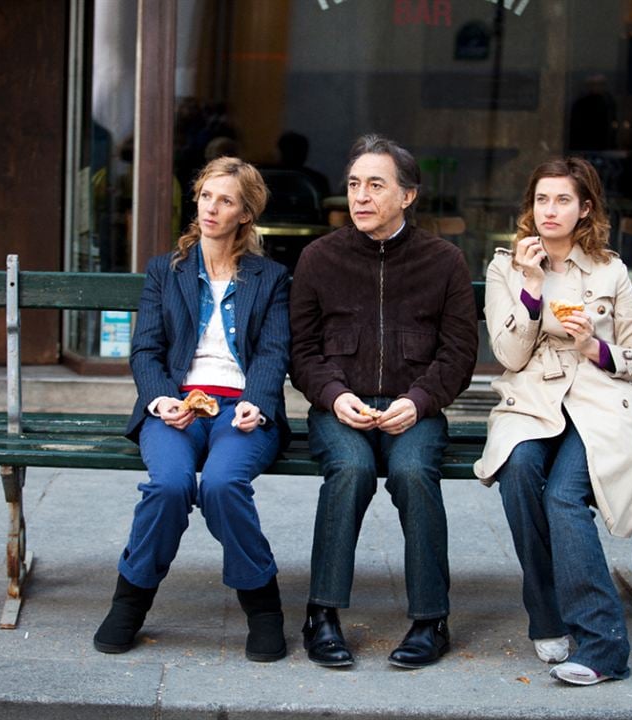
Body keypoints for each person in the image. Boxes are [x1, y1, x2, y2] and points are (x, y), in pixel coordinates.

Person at [289, 134, 479, 669]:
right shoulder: (318, 258)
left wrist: (419, 401)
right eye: (354, 185)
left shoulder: (443, 261)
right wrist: (334, 395)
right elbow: (301, 351)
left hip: (414, 409)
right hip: (339, 409)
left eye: (376, 185)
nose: (361, 196)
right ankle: (321, 614)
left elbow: (459, 353)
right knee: (348, 470)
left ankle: (429, 620)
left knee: (415, 473)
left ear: (408, 196)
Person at [93, 157, 292, 662]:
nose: (211, 208)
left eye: (225, 200)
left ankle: (263, 606)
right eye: (206, 196)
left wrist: (257, 404)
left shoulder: (269, 278)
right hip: (175, 404)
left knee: (223, 486)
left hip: (240, 409)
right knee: (170, 485)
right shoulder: (167, 270)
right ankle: (130, 600)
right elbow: (146, 350)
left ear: (245, 214)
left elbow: (273, 353)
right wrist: (161, 399)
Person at [474, 157, 632, 685]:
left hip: (596, 403)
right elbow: (508, 355)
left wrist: (596, 347)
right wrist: (531, 288)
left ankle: (604, 645)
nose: (550, 210)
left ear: (585, 210)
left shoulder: (609, 270)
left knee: (562, 497)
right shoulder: (505, 267)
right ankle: (547, 614)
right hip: (531, 401)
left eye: (563, 200)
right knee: (519, 473)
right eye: (541, 200)